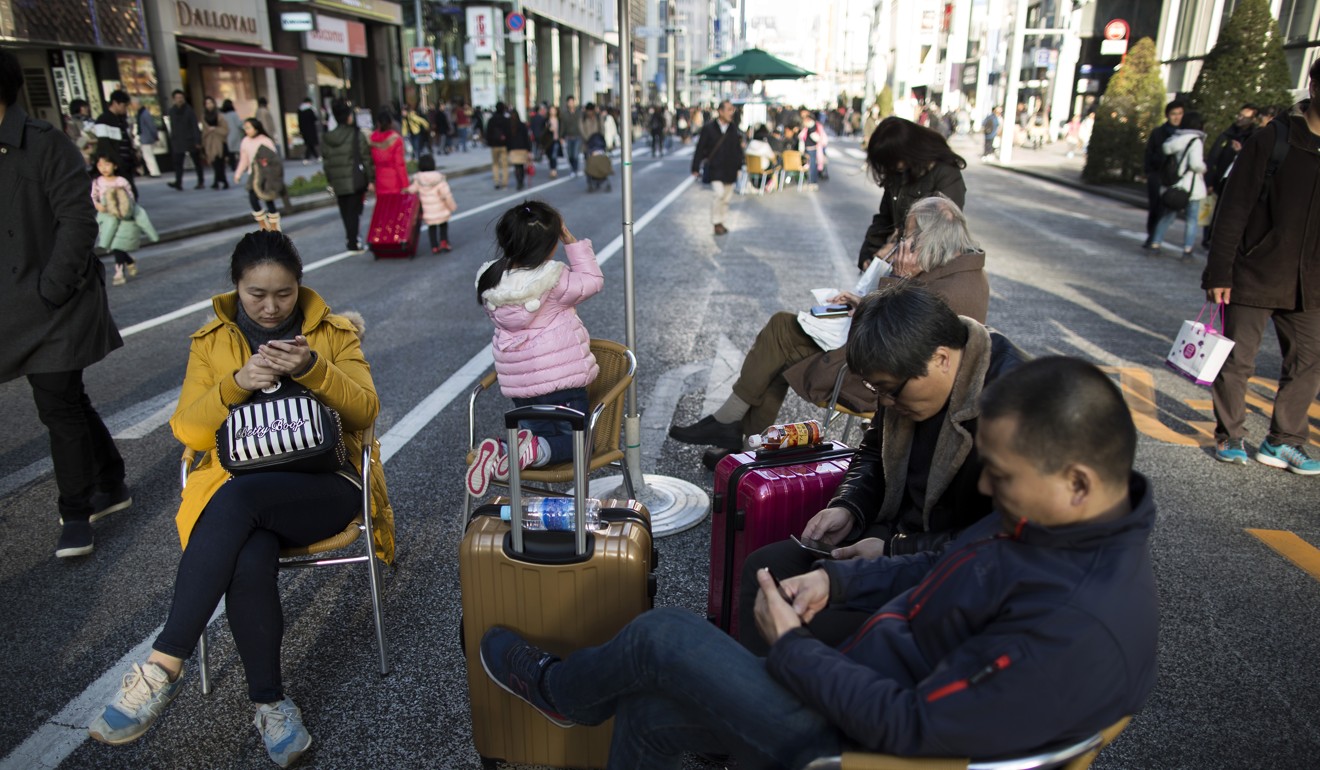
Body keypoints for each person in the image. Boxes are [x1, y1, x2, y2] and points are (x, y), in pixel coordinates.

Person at [478, 354, 1158, 768]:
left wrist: (797, 650)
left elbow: (912, 727)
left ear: (1076, 480)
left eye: (1002, 476)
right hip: (864, 681)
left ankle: (561, 693)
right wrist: (836, 578)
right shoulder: (1057, 529)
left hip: (857, 746)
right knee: (649, 715)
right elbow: (939, 564)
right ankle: (572, 696)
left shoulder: (1075, 620)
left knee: (662, 637)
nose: (985, 487)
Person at [87, 231, 392, 767]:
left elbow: (365, 411)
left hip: (327, 486)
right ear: (236, 288)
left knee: (240, 502)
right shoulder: (210, 343)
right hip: (244, 495)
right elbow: (189, 432)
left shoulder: (332, 332)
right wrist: (237, 383)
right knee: (249, 552)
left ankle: (162, 666)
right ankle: (271, 703)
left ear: (300, 286)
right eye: (257, 295)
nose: (272, 307)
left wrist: (311, 368)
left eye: (284, 293)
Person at [670, 195, 990, 457]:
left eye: (908, 237)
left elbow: (893, 339)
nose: (903, 243)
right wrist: (862, 302)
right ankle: (740, 438)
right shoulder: (959, 269)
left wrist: (899, 279)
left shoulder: (952, 290)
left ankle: (734, 430)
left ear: (929, 238)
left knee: (780, 342)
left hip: (877, 379)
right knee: (782, 329)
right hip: (876, 358)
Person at [0, 51, 129, 558]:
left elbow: (78, 222)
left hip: (57, 301)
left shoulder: (45, 143)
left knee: (56, 400)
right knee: (68, 401)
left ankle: (76, 511)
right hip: (13, 305)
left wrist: (49, 289)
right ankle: (112, 478)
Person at [1204, 60, 1320, 475]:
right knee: (1238, 359)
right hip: (1256, 270)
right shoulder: (1274, 139)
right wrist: (1219, 271)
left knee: (1308, 361)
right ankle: (1230, 434)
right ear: (1312, 84)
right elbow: (1234, 207)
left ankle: (1283, 440)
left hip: (1312, 281)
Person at [466, 201, 603, 498]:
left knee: (537, 436)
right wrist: (571, 241)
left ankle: (505, 450)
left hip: (521, 388)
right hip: (562, 384)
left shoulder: (491, 279)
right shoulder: (553, 279)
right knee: (580, 443)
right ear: (550, 245)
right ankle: (517, 449)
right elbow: (593, 281)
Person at [858, 116, 967, 271]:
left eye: (893, 161)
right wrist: (868, 254)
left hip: (931, 270)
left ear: (908, 150)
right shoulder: (898, 173)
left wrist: (896, 249)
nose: (892, 166)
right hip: (898, 267)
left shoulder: (945, 172)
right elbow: (884, 219)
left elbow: (942, 231)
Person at [1148, 111, 1207, 260]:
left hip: (1175, 183)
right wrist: (1204, 168)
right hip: (1191, 186)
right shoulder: (1195, 141)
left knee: (1168, 215)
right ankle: (1187, 248)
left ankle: (1155, 242)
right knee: (1192, 219)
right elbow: (1195, 164)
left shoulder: (1176, 138)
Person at [92, 154, 157, 284]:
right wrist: (98, 205)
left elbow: (131, 198)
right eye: (100, 165)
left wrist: (126, 209)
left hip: (123, 218)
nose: (103, 168)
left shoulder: (122, 181)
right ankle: (129, 260)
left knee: (117, 245)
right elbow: (93, 197)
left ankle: (119, 272)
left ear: (115, 166)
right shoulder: (97, 182)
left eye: (107, 164)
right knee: (112, 245)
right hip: (107, 217)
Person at [320, 99, 375, 252]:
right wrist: (371, 179)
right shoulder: (356, 135)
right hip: (354, 179)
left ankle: (351, 239)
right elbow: (366, 158)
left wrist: (330, 179)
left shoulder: (328, 137)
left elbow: (327, 162)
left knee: (345, 212)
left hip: (338, 180)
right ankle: (353, 241)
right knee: (354, 212)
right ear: (348, 117)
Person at [690, 100, 744, 236]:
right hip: (715, 168)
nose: (731, 113)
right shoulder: (709, 128)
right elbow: (700, 148)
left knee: (726, 198)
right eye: (728, 110)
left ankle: (721, 222)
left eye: (732, 110)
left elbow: (737, 150)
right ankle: (716, 222)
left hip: (730, 169)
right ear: (720, 111)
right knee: (718, 194)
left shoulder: (733, 128)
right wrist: (695, 167)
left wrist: (739, 166)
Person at [1141, 99, 1186, 249]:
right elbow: (1149, 152)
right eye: (1174, 114)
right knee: (1155, 207)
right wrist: (1148, 171)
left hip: (1175, 177)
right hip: (1158, 174)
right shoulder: (1158, 132)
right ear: (1168, 115)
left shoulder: (1185, 135)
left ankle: (1157, 237)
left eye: (1180, 113)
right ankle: (1152, 236)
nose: (1177, 117)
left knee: (1169, 209)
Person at [233, 118, 283, 231]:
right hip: (253, 175)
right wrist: (238, 174)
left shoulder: (265, 140)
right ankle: (263, 224)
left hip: (266, 174)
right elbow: (244, 159)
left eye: (249, 128)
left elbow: (273, 158)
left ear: (256, 128)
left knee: (268, 198)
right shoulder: (245, 141)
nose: (247, 130)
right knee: (253, 199)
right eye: (245, 128)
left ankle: (274, 226)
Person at [404, 153, 458, 254]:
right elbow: (446, 194)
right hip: (441, 208)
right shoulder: (439, 178)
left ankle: (434, 246)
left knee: (431, 228)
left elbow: (413, 189)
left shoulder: (418, 179)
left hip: (428, 210)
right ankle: (444, 242)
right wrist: (452, 206)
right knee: (443, 225)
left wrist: (405, 190)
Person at [92, 89, 137, 198]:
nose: (125, 109)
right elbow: (104, 145)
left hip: (125, 163)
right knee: (124, 195)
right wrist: (115, 162)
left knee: (130, 193)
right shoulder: (103, 119)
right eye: (124, 105)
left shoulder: (121, 120)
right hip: (116, 165)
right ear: (115, 103)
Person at [166, 89, 204, 190]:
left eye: (181, 98)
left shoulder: (189, 110)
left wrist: (197, 141)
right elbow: (172, 127)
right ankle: (178, 182)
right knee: (178, 163)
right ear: (173, 99)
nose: (179, 100)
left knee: (197, 162)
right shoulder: (172, 111)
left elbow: (194, 126)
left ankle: (200, 181)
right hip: (178, 141)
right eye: (177, 98)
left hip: (190, 140)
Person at [369, 107, 407, 196]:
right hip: (394, 181)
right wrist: (405, 185)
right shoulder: (396, 139)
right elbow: (399, 164)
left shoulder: (372, 139)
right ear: (390, 123)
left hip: (379, 181)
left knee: (384, 208)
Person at [201, 96, 231, 189]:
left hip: (219, 142)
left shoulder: (219, 115)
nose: (209, 105)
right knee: (214, 162)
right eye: (207, 103)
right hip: (209, 142)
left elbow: (225, 129)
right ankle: (220, 181)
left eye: (210, 103)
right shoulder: (204, 116)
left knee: (219, 162)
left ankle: (220, 181)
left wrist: (215, 129)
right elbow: (204, 130)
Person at [484, 101, 512, 190]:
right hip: (504, 145)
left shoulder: (491, 120)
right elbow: (509, 133)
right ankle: (504, 182)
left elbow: (487, 132)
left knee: (495, 164)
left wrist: (489, 142)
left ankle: (496, 181)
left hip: (494, 145)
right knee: (504, 165)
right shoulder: (506, 120)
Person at [131, 98, 161, 177]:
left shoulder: (144, 113)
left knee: (148, 155)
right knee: (148, 155)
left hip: (146, 137)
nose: (132, 106)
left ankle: (154, 172)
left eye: (133, 104)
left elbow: (151, 125)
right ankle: (153, 171)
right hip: (145, 137)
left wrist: (155, 136)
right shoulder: (142, 113)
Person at [507, 109, 534, 191]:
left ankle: (519, 181)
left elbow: (508, 139)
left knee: (516, 166)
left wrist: (508, 149)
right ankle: (521, 181)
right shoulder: (522, 125)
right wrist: (529, 149)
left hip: (514, 149)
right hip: (522, 149)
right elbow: (527, 138)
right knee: (521, 166)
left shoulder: (510, 126)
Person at [561, 96, 582, 176]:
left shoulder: (579, 113)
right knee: (570, 155)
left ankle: (575, 169)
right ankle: (573, 168)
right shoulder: (564, 114)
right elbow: (562, 126)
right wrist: (561, 136)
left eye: (572, 102)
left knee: (575, 154)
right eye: (569, 102)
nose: (571, 103)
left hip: (577, 136)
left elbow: (581, 124)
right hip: (568, 136)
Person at [220, 98, 242, 171]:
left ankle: (232, 166)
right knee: (238, 151)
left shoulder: (222, 115)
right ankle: (241, 165)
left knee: (230, 153)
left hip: (225, 135)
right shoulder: (234, 114)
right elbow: (239, 124)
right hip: (235, 133)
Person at [543, 105, 563, 179]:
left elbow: (562, 129)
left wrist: (561, 137)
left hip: (556, 140)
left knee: (554, 155)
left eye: (554, 110)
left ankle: (553, 170)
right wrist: (548, 128)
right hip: (548, 140)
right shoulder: (547, 120)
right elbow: (543, 130)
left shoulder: (559, 120)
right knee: (549, 155)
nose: (552, 111)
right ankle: (552, 169)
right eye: (551, 110)